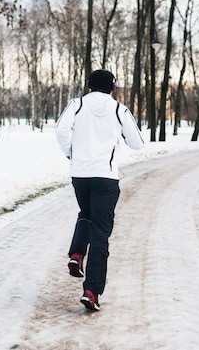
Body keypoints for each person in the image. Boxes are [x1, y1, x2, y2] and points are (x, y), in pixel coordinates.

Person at [55, 69, 144, 311]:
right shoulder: (119, 110)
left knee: (86, 213)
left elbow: (61, 131)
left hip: (80, 175)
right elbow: (137, 143)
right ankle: (92, 290)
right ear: (113, 87)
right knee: (100, 234)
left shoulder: (76, 104)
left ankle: (76, 254)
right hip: (106, 177)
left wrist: (72, 154)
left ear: (87, 85)